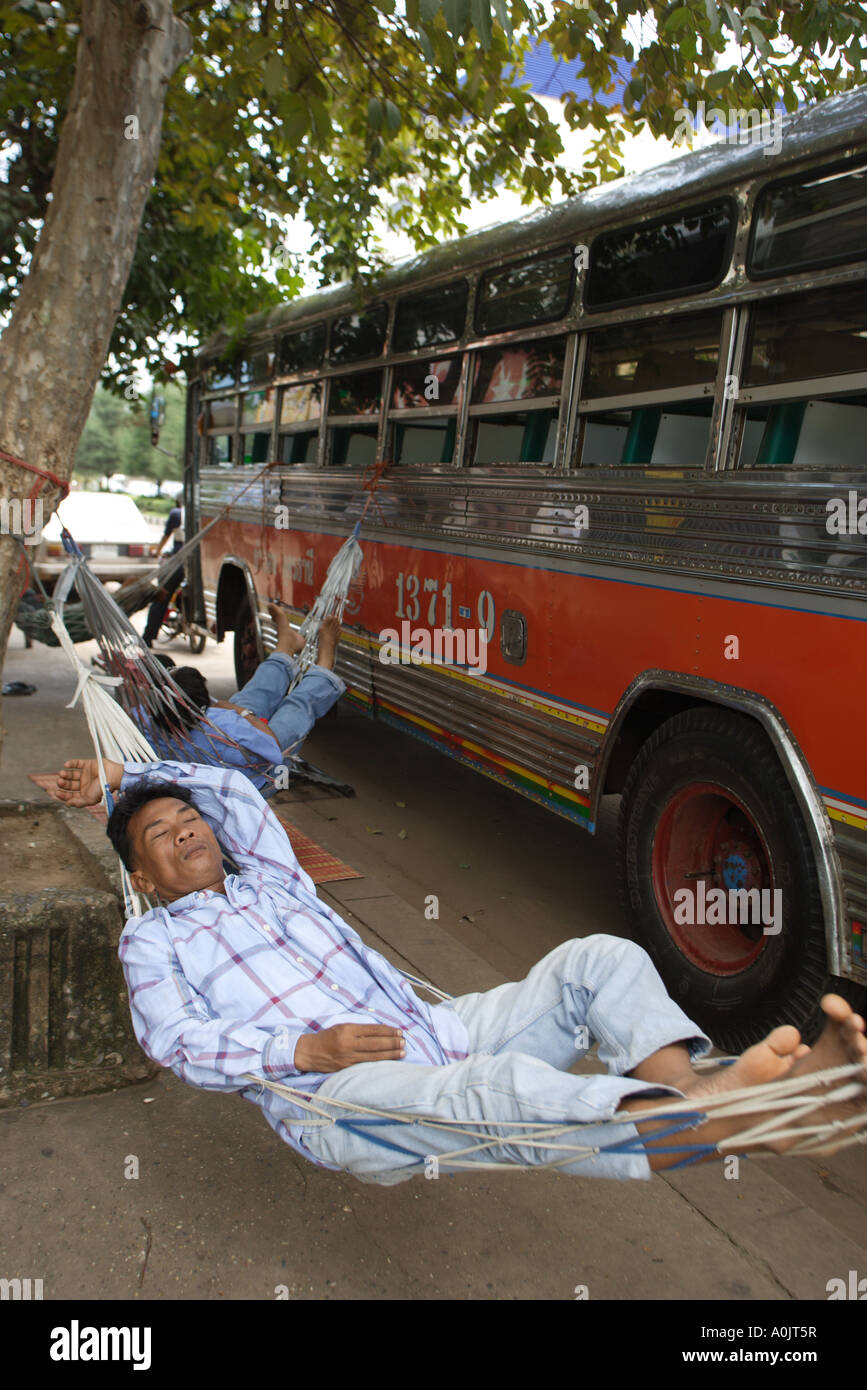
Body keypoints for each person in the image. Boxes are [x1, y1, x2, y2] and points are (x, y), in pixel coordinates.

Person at [55, 753, 867, 1188]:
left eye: (188, 817)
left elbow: (231, 784)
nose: (187, 829)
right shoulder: (154, 941)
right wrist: (303, 1053)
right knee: (499, 1093)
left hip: (438, 1031)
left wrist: (130, 779)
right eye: (161, 833)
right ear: (145, 879)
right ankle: (738, 1119)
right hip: (332, 1096)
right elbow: (175, 1041)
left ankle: (696, 1095)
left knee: (600, 959)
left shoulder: (272, 877)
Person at [138, 606, 344, 794]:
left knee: (251, 697)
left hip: (206, 754)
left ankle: (286, 647)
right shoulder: (223, 725)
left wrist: (235, 710)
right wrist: (240, 712)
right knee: (295, 708)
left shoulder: (145, 721)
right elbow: (269, 741)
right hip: (256, 778)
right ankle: (325, 660)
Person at [142, 504, 184, 649]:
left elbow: (166, 535)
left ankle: (148, 636)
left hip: (178, 563)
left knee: (161, 596)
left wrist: (157, 551)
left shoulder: (177, 514)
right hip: (198, 564)